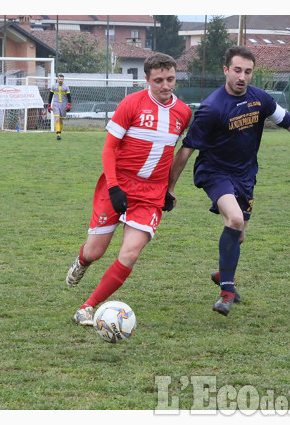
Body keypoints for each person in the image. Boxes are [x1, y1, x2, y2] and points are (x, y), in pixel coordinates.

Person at [167, 46, 290, 316]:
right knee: (235, 219)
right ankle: (227, 292)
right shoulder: (212, 108)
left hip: (245, 175)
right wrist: (170, 187)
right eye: (237, 70)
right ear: (226, 71)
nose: (242, 76)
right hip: (215, 172)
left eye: (248, 72)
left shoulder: (259, 99)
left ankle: (223, 273)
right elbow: (187, 149)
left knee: (238, 236)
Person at [66, 53, 192, 325]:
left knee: (130, 252)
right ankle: (82, 261)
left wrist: (168, 189)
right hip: (118, 184)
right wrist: (113, 187)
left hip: (150, 194)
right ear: (147, 80)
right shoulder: (131, 104)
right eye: (158, 80)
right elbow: (109, 147)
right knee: (95, 251)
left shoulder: (183, 113)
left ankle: (87, 307)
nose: (165, 86)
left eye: (170, 79)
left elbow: (177, 154)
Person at [47, 73, 72, 140]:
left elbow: (69, 97)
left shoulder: (66, 87)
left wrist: (69, 104)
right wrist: (49, 105)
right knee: (57, 118)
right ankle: (58, 134)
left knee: (61, 120)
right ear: (57, 79)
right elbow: (50, 96)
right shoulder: (54, 86)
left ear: (63, 80)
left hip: (63, 104)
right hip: (55, 104)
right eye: (59, 79)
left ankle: (59, 132)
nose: (60, 80)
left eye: (61, 79)